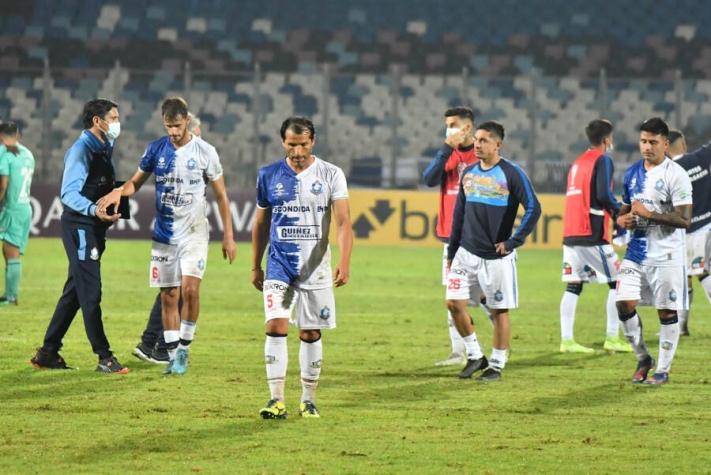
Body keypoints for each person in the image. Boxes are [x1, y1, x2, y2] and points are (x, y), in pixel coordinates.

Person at [98, 97, 236, 375]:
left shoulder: (205, 151)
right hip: (164, 235)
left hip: (195, 233)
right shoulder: (155, 149)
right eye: (168, 126)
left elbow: (221, 195)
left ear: (186, 121)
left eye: (177, 126)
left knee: (190, 291)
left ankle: (184, 347)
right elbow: (135, 183)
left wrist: (228, 236)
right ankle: (174, 357)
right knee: (169, 296)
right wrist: (118, 191)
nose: (173, 132)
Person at [251, 116, 353, 419]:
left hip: (316, 266)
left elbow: (344, 222)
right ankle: (276, 399)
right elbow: (260, 222)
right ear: (283, 142)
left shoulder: (331, 174)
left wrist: (345, 261)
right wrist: (255, 265)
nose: (297, 151)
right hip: (279, 263)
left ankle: (308, 399)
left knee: (309, 332)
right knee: (275, 325)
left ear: (313, 142)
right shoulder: (268, 174)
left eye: (303, 144)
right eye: (292, 144)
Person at [30, 99, 127, 373]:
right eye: (114, 117)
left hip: (92, 227)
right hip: (80, 227)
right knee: (90, 292)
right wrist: (95, 210)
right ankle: (104, 356)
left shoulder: (104, 145)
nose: (118, 123)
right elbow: (69, 193)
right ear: (98, 121)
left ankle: (48, 352)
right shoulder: (81, 150)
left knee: (75, 291)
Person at [446, 121, 541, 381]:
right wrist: (451, 253)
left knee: (499, 311)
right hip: (465, 253)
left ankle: (496, 365)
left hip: (496, 258)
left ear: (498, 144)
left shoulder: (511, 173)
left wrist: (512, 242)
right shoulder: (468, 173)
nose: (477, 144)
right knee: (453, 303)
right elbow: (459, 216)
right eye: (476, 139)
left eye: (484, 140)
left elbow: (534, 208)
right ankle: (476, 355)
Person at [616, 117, 692, 385]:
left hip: (667, 255)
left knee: (666, 312)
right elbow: (623, 212)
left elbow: (684, 220)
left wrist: (651, 214)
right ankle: (642, 358)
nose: (647, 147)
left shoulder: (677, 175)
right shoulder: (632, 173)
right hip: (636, 252)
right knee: (623, 302)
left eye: (653, 142)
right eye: (643, 141)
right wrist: (621, 220)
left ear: (665, 143)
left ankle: (662, 370)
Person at [422, 106, 491, 367]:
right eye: (447, 125)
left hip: (477, 238)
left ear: (467, 128)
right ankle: (458, 352)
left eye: (453, 124)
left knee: (487, 295)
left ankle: (499, 342)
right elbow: (428, 179)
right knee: (455, 296)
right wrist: (445, 149)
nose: (448, 129)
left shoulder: (482, 155)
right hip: (452, 239)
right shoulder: (447, 154)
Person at [132, 114, 203, 365]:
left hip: (186, 233)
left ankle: (149, 343)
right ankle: (160, 347)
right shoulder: (172, 155)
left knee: (171, 289)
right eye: (195, 132)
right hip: (175, 233)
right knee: (177, 289)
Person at [559, 119, 631, 353]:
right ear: (607, 139)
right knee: (618, 283)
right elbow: (603, 194)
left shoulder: (578, 162)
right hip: (591, 231)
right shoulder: (603, 160)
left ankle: (567, 341)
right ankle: (612, 337)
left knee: (574, 285)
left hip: (571, 231)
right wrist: (620, 211)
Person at [668, 129, 711, 336]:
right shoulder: (700, 158)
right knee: (695, 274)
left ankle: (681, 325)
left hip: (688, 232)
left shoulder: (669, 171)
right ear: (683, 144)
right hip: (707, 224)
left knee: (693, 276)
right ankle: (682, 327)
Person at [0, 122, 35, 305]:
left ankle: (11, 297)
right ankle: (9, 295)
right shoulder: (28, 154)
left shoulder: (5, 154)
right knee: (10, 252)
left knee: (11, 252)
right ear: (18, 134)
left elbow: (4, 185)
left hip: (12, 209)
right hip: (25, 207)